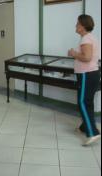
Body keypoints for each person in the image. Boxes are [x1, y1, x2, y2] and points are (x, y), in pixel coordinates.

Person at [68, 14, 101, 146]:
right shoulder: (90, 38)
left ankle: (92, 133)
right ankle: (84, 127)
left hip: (87, 74)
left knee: (82, 102)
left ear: (82, 26)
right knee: (88, 102)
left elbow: (87, 57)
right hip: (91, 74)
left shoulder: (85, 39)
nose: (76, 26)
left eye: (77, 24)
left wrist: (73, 53)